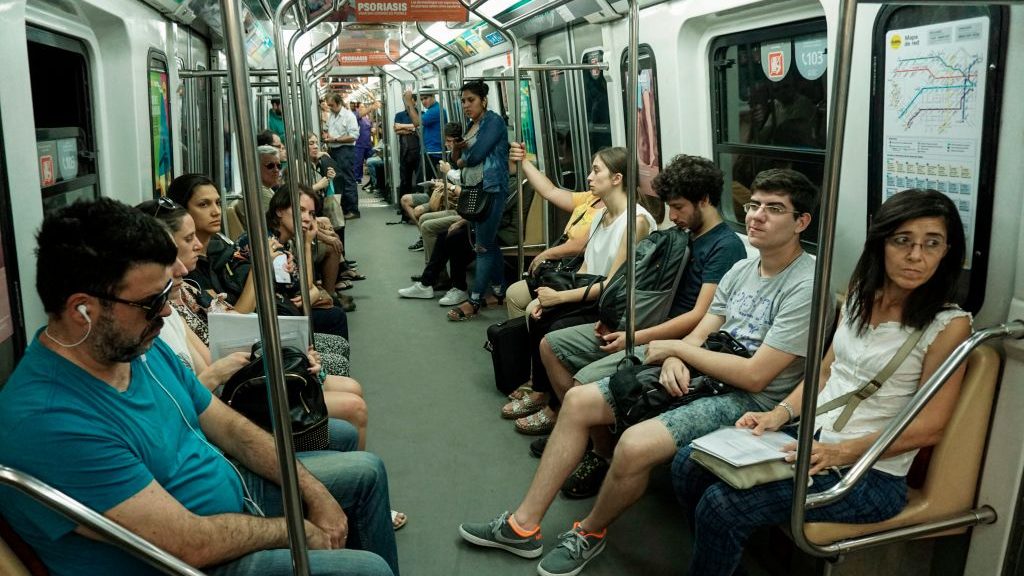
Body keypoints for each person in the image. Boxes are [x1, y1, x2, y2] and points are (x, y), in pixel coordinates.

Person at [0, 198, 399, 576]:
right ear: (83, 310)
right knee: (368, 571)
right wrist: (294, 529)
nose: (168, 311)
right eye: (151, 303)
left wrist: (312, 492)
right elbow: (187, 543)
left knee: (365, 472)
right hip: (194, 563)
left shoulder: (131, 349)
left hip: (233, 495)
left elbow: (229, 427)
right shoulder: (49, 422)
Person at [459, 168, 820, 576]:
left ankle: (590, 533)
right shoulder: (742, 272)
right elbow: (704, 329)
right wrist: (675, 358)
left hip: (750, 399)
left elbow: (757, 376)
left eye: (774, 209)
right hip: (707, 374)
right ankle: (522, 527)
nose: (756, 216)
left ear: (801, 222)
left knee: (634, 444)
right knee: (577, 401)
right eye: (753, 205)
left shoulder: (806, 286)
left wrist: (678, 351)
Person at [673, 188, 970, 576]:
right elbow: (827, 371)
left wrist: (841, 454)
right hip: (809, 439)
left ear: (946, 252)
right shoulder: (863, 297)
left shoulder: (948, 324)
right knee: (686, 463)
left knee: (722, 505)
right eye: (903, 241)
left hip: (868, 474)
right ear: (882, 244)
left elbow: (930, 427)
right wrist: (778, 416)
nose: (916, 256)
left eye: (932, 244)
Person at [524, 155, 747, 490]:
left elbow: (699, 316)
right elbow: (647, 289)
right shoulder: (680, 235)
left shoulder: (725, 247)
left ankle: (602, 455)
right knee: (551, 345)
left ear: (704, 200)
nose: (672, 217)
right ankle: (591, 441)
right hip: (646, 322)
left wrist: (633, 334)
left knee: (582, 385)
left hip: (676, 337)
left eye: (679, 207)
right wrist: (616, 320)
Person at [501, 147, 657, 438]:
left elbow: (613, 285)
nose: (589, 177)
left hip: (614, 305)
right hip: (592, 293)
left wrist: (559, 298)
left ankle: (557, 408)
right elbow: (585, 269)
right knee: (539, 314)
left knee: (554, 325)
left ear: (617, 178)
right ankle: (543, 393)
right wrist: (552, 297)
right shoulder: (601, 215)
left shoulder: (635, 223)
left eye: (596, 170)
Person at [503, 142, 604, 319]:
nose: (589, 177)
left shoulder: (616, 212)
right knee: (513, 294)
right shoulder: (591, 199)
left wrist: (546, 254)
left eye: (596, 172)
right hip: (565, 265)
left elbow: (581, 244)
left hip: (577, 268)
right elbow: (550, 191)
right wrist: (524, 161)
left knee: (531, 308)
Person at [445, 81, 511, 321]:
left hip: (491, 188)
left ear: (483, 100)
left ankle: (473, 301)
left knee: (482, 247)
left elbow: (476, 156)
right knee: (488, 242)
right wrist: (458, 151)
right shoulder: (471, 126)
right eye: (462, 101)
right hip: (475, 188)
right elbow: (457, 160)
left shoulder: (493, 122)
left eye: (470, 100)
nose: (465, 105)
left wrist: (462, 152)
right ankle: (500, 289)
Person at [324, 92, 361, 219]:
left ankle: (353, 210)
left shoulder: (348, 116)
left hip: (345, 150)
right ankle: (344, 209)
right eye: (328, 106)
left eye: (332, 105)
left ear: (339, 103)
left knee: (348, 179)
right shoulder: (332, 115)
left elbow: (354, 136)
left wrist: (335, 140)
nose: (330, 108)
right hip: (334, 150)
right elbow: (330, 129)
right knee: (339, 179)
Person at [393, 89, 421, 206]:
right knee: (405, 181)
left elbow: (419, 126)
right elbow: (397, 130)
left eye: (408, 100)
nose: (406, 103)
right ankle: (404, 210)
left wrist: (406, 127)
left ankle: (418, 207)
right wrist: (413, 129)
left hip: (418, 151)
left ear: (414, 101)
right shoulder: (399, 115)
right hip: (405, 152)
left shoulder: (421, 114)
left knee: (420, 180)